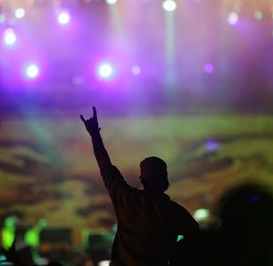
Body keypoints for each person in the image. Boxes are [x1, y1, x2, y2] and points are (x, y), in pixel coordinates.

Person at [80, 107, 199, 266]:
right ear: (165, 181)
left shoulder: (125, 198)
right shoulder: (172, 210)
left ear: (142, 179)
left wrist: (95, 134)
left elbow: (105, 166)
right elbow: (195, 235)